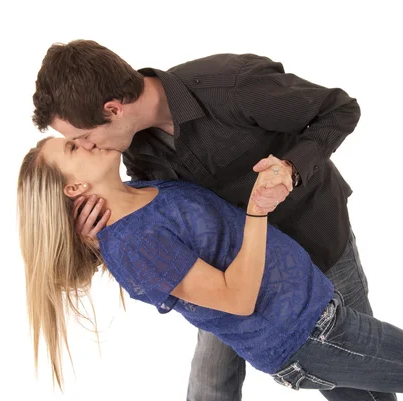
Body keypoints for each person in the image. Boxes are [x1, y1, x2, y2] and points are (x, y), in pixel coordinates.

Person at [17, 136, 403, 401]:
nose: (83, 139)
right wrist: (257, 212)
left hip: (317, 318)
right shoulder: (131, 243)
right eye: (71, 148)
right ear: (73, 189)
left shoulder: (140, 192)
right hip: (310, 338)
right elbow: (236, 297)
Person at [32, 39, 379, 401]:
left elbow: (340, 109)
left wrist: (291, 168)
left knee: (357, 376)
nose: (87, 148)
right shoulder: (132, 151)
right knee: (210, 379)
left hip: (316, 241)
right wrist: (92, 239)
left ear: (113, 109)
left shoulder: (231, 87)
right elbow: (147, 240)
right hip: (231, 275)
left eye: (82, 138)